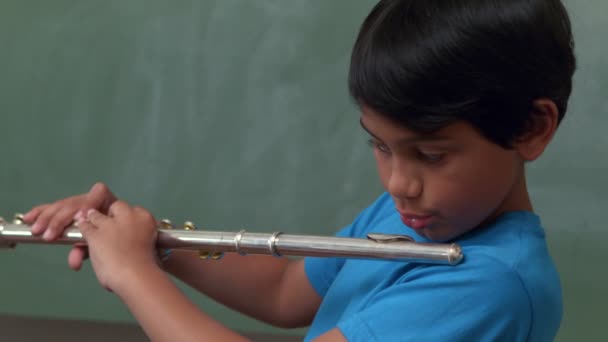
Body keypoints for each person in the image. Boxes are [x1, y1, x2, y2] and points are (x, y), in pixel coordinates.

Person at [23, 0, 576, 341]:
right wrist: (146, 240)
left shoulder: (492, 286)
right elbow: (286, 290)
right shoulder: (416, 214)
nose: (397, 183)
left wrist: (133, 277)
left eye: (431, 155)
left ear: (532, 127)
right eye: (380, 147)